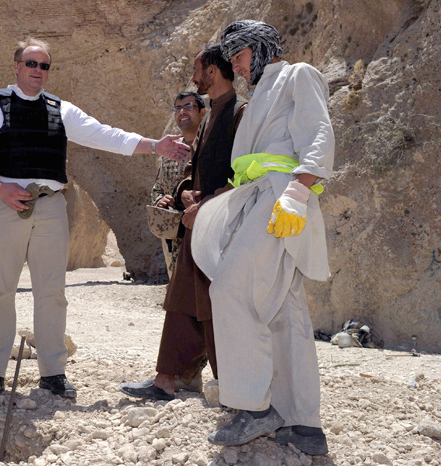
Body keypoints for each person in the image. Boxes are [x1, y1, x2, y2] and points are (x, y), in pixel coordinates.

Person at [0, 37, 190, 398]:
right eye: (31, 63)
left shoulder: (61, 110)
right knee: (0, 291)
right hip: (3, 205)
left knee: (52, 292)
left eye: (44, 66)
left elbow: (104, 135)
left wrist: (154, 145)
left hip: (50, 206)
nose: (38, 71)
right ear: (16, 66)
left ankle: (53, 373)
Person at [190, 20, 334, 455]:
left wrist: (296, 192)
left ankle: (254, 409)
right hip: (258, 198)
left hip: (281, 200)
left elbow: (320, 134)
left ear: (263, 46)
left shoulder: (297, 74)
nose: (236, 65)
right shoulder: (257, 98)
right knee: (285, 316)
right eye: (231, 59)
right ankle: (303, 424)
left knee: (231, 287)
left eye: (240, 55)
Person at [120, 44, 246, 400]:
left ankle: (232, 385)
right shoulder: (213, 116)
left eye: (198, 71)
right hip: (198, 222)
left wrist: (207, 203)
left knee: (212, 305)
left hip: (220, 225)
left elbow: (244, 175)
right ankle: (166, 379)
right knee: (180, 302)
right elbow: (196, 169)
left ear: (212, 72)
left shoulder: (239, 112)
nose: (193, 78)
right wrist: (185, 192)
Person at [150, 92, 206, 277]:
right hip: (175, 236)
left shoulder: (211, 146)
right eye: (178, 108)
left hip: (206, 229)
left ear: (203, 113)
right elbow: (157, 188)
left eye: (188, 107)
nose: (182, 112)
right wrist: (160, 200)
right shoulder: (170, 151)